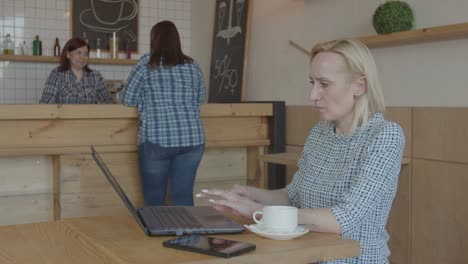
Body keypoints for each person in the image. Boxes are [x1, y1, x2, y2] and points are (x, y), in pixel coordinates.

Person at [197, 39, 405, 264]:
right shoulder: (319, 133)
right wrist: (251, 194)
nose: (313, 95)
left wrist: (257, 211)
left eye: (324, 84)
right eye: (312, 82)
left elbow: (342, 219)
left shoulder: (385, 136)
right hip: (308, 256)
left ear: (360, 86)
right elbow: (293, 195)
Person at [122, 20, 206, 206]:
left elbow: (127, 99)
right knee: (183, 198)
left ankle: (160, 235)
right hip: (192, 140)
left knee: (154, 201)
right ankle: (186, 236)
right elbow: (200, 99)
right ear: (177, 40)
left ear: (154, 40)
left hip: (157, 140)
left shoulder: (146, 63)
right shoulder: (193, 66)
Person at [39, 37, 114, 104]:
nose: (83, 57)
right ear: (68, 54)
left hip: (88, 119)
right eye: (78, 53)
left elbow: (108, 102)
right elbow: (46, 102)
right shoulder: (57, 73)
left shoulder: (95, 76)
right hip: (64, 119)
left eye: (86, 54)